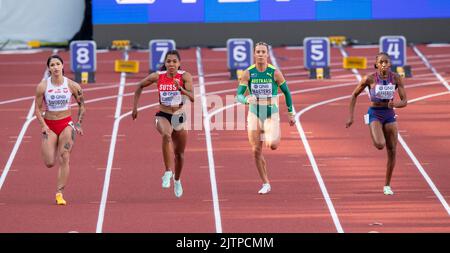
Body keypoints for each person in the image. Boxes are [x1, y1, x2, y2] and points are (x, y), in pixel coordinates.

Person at [132, 50, 194, 198]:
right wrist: (135, 108)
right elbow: (139, 86)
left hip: (179, 115)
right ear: (165, 64)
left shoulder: (185, 76)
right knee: (166, 136)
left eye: (174, 61)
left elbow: (192, 97)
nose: (171, 64)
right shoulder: (157, 76)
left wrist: (181, 89)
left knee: (179, 154)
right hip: (163, 114)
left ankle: (177, 180)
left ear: (179, 64)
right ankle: (167, 172)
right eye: (168, 61)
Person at [236, 41, 295, 194]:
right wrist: (246, 100)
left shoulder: (274, 72)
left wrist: (290, 113)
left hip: (271, 113)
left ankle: (268, 133)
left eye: (263, 52)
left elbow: (287, 93)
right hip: (255, 113)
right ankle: (265, 183)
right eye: (258, 52)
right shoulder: (248, 73)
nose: (261, 54)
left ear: (267, 54)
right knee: (256, 150)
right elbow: (239, 95)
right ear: (254, 54)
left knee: (273, 145)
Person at [346, 52, 407, 195]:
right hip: (375, 113)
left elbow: (405, 101)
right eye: (381, 62)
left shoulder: (396, 78)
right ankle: (373, 126)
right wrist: (351, 117)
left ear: (390, 64)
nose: (384, 64)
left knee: (392, 151)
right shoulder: (369, 79)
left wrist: (395, 104)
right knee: (380, 145)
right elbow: (354, 95)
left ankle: (387, 185)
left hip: (389, 114)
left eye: (386, 62)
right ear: (376, 65)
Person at [34, 55, 85, 205]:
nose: (55, 67)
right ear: (49, 68)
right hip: (49, 125)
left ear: (63, 66)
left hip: (66, 125)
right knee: (49, 162)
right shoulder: (43, 86)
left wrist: (79, 123)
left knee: (64, 156)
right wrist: (43, 125)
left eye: (57, 64)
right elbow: (37, 108)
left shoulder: (73, 85)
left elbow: (82, 105)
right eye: (52, 65)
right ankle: (51, 144)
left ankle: (59, 193)